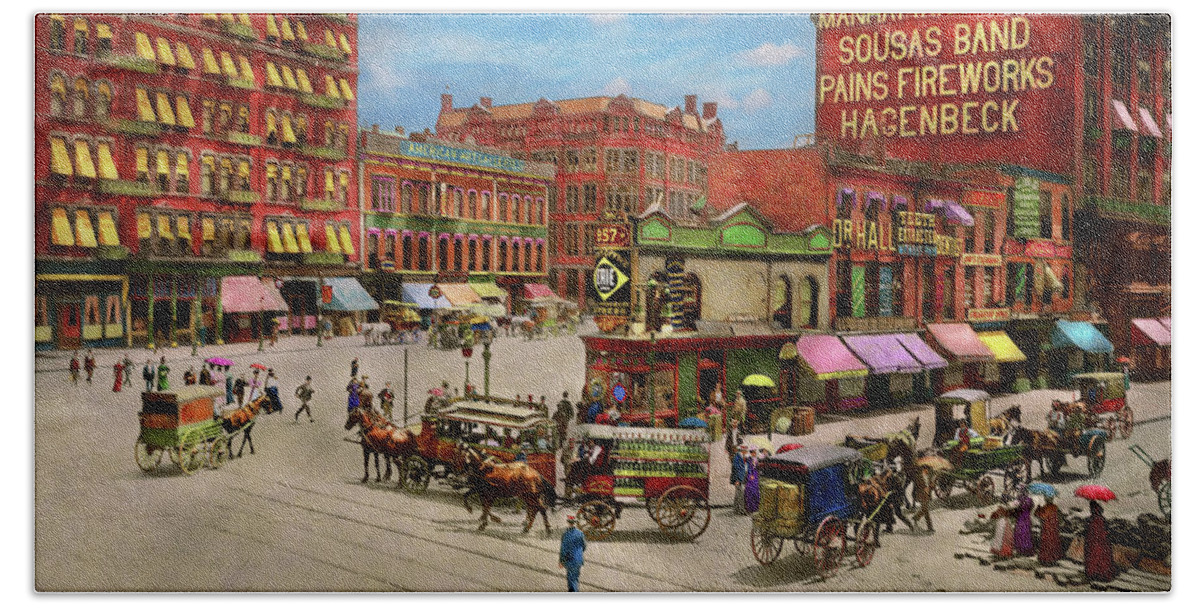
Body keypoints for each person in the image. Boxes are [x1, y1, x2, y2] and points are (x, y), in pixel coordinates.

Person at [1084, 499, 1116, 582]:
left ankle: (1093, 573)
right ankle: (1103, 574)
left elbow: (1088, 532)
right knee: (1103, 557)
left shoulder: (1090, 519)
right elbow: (1106, 531)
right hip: (1102, 543)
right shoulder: (1102, 519)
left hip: (1092, 543)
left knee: (1092, 557)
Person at [558, 515, 587, 592]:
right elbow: (584, 546)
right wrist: (578, 553)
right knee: (575, 578)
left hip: (569, 560)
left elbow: (563, 549)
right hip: (578, 560)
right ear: (575, 523)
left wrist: (561, 561)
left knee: (571, 580)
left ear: (568, 523)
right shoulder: (580, 533)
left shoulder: (566, 534)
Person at [1034, 495, 1064, 565]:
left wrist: (1038, 508)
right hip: (1054, 528)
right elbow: (1060, 518)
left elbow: (1039, 516)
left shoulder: (1045, 507)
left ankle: (1046, 559)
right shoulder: (1055, 507)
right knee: (1053, 542)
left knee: (1046, 543)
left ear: (1046, 500)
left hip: (1046, 528)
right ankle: (1053, 558)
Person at [1012, 486, 1035, 556]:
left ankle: (1020, 549)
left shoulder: (1019, 500)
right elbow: (1032, 507)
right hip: (1026, 518)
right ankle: (1026, 549)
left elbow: (1016, 509)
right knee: (1026, 534)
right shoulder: (1030, 500)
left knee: (1019, 533)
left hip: (1020, 518)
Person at [730, 445, 749, 515]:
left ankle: (736, 509)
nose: (746, 452)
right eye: (746, 451)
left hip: (742, 477)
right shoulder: (737, 457)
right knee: (740, 494)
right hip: (738, 478)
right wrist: (737, 480)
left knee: (738, 494)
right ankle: (741, 510)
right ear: (742, 451)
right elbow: (735, 469)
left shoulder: (744, 457)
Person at [744, 448, 762, 514]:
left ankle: (755, 507)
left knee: (756, 491)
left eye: (754, 452)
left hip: (756, 475)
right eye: (752, 452)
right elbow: (748, 468)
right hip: (751, 475)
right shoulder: (749, 459)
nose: (754, 454)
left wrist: (757, 465)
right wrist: (750, 474)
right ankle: (749, 507)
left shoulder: (757, 459)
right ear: (751, 453)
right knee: (749, 491)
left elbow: (758, 467)